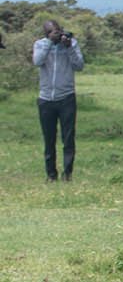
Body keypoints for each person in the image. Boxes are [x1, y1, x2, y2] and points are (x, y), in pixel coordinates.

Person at [33, 19, 85, 182]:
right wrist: (49, 43)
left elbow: (79, 65)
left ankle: (67, 173)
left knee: (68, 137)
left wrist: (69, 48)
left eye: (57, 31)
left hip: (66, 97)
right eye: (51, 32)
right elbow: (37, 61)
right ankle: (51, 174)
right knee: (49, 138)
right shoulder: (40, 44)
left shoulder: (71, 44)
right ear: (46, 34)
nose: (56, 34)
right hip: (46, 98)